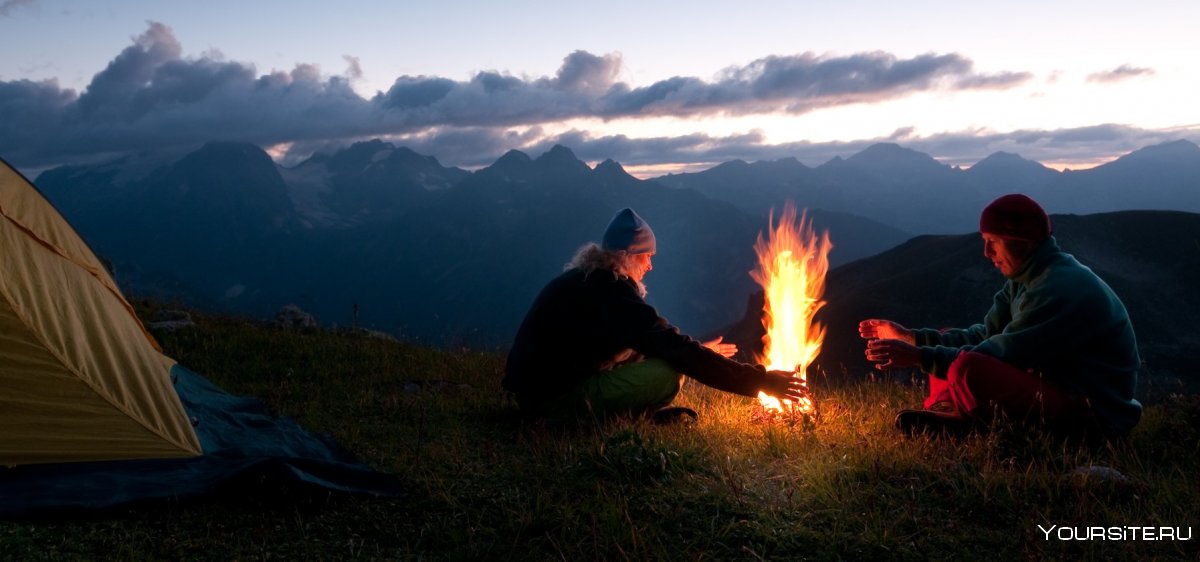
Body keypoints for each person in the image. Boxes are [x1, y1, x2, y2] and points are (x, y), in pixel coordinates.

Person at [859, 194, 1141, 439]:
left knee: (967, 367)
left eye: (993, 242)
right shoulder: (1025, 277)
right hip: (1057, 388)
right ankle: (949, 415)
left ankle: (963, 420)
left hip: (1092, 415)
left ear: (1020, 242)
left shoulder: (1059, 289)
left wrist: (918, 357)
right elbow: (984, 335)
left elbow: (999, 355)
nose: (986, 252)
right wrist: (910, 337)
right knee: (947, 338)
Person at [504, 207, 806, 423]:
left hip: (537, 392)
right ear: (628, 256)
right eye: (647, 257)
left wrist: (699, 352)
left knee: (669, 358)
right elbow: (672, 348)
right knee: (668, 372)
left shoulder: (588, 281)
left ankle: (630, 415)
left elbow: (651, 341)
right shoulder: (612, 294)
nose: (650, 266)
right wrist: (762, 381)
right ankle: (613, 418)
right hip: (550, 403)